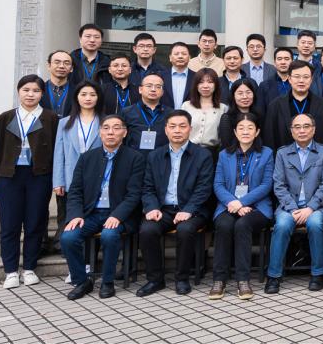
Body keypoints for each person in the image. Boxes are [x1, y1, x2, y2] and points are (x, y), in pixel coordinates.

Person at [0, 75, 59, 289]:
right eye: (26, 90)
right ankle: (10, 271)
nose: (30, 94)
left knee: (35, 222)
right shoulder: (6, 117)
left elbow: (57, 151)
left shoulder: (51, 118)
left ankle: (29, 268)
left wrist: (57, 179)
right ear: (18, 91)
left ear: (42, 94)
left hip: (39, 176)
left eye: (35, 91)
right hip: (9, 176)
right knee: (10, 223)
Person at [61, 115, 145, 300]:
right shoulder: (87, 158)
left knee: (109, 235)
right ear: (100, 133)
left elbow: (134, 194)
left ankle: (107, 282)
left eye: (116, 128)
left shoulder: (135, 158)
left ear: (124, 133)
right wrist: (75, 214)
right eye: (106, 128)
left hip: (119, 215)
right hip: (91, 214)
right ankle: (81, 281)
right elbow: (75, 191)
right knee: (68, 237)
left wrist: (117, 215)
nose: (111, 132)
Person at [136, 110, 215, 297]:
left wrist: (189, 210)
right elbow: (147, 187)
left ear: (190, 129)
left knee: (185, 230)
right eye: (172, 126)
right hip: (163, 209)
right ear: (166, 130)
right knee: (147, 229)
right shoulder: (155, 156)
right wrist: (152, 207)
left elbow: (204, 188)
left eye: (182, 126)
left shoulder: (203, 155)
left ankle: (182, 278)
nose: (177, 130)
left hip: (193, 210)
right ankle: (155, 279)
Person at [208, 113, 274, 300]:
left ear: (257, 131)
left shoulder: (266, 153)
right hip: (228, 205)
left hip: (258, 207)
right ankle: (219, 280)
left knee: (243, 224)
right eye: (241, 128)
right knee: (224, 225)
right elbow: (218, 184)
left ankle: (243, 280)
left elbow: (266, 185)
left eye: (250, 128)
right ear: (235, 132)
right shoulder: (224, 155)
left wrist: (242, 202)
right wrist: (234, 203)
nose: (246, 132)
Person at [268, 114, 323, 293]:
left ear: (314, 129)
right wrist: (293, 209)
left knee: (315, 223)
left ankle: (318, 273)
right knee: (282, 225)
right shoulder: (282, 153)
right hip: (289, 207)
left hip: (316, 206)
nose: (302, 130)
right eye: (297, 127)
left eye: (306, 126)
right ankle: (274, 275)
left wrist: (310, 208)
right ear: (291, 131)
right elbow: (279, 185)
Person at [52, 81, 103, 263]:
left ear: (98, 98)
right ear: (76, 98)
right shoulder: (65, 123)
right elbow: (59, 153)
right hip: (70, 177)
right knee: (69, 218)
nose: (88, 98)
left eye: (92, 94)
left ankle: (90, 259)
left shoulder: (104, 122)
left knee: (91, 219)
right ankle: (72, 258)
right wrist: (58, 180)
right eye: (83, 94)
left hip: (97, 178)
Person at [263, 60, 323, 150]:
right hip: (284, 157)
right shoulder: (275, 106)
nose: (301, 80)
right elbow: (269, 138)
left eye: (306, 77)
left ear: (311, 79)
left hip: (316, 157)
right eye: (297, 77)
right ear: (289, 79)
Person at [181, 69, 227, 153]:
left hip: (212, 152)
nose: (205, 86)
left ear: (216, 85)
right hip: (188, 151)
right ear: (196, 85)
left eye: (210, 82)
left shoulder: (223, 108)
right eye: (201, 82)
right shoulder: (186, 106)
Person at [121, 74, 168, 156]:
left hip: (161, 159)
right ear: (140, 89)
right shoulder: (127, 112)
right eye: (149, 86)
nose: (153, 89)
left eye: (158, 87)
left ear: (162, 92)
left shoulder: (170, 114)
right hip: (133, 159)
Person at [217, 79, 264, 152]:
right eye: (240, 93)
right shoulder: (227, 118)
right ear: (233, 96)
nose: (245, 97)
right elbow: (227, 145)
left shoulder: (259, 116)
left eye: (248, 92)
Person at [42, 50, 75, 118]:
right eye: (57, 62)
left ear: (71, 68)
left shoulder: (78, 91)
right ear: (49, 66)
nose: (61, 66)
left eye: (66, 63)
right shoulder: (39, 89)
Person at [163, 42, 194, 109]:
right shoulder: (160, 76)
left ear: (189, 57)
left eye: (184, 54)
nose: (180, 56)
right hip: (165, 114)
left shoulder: (196, 77)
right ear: (170, 58)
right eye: (176, 54)